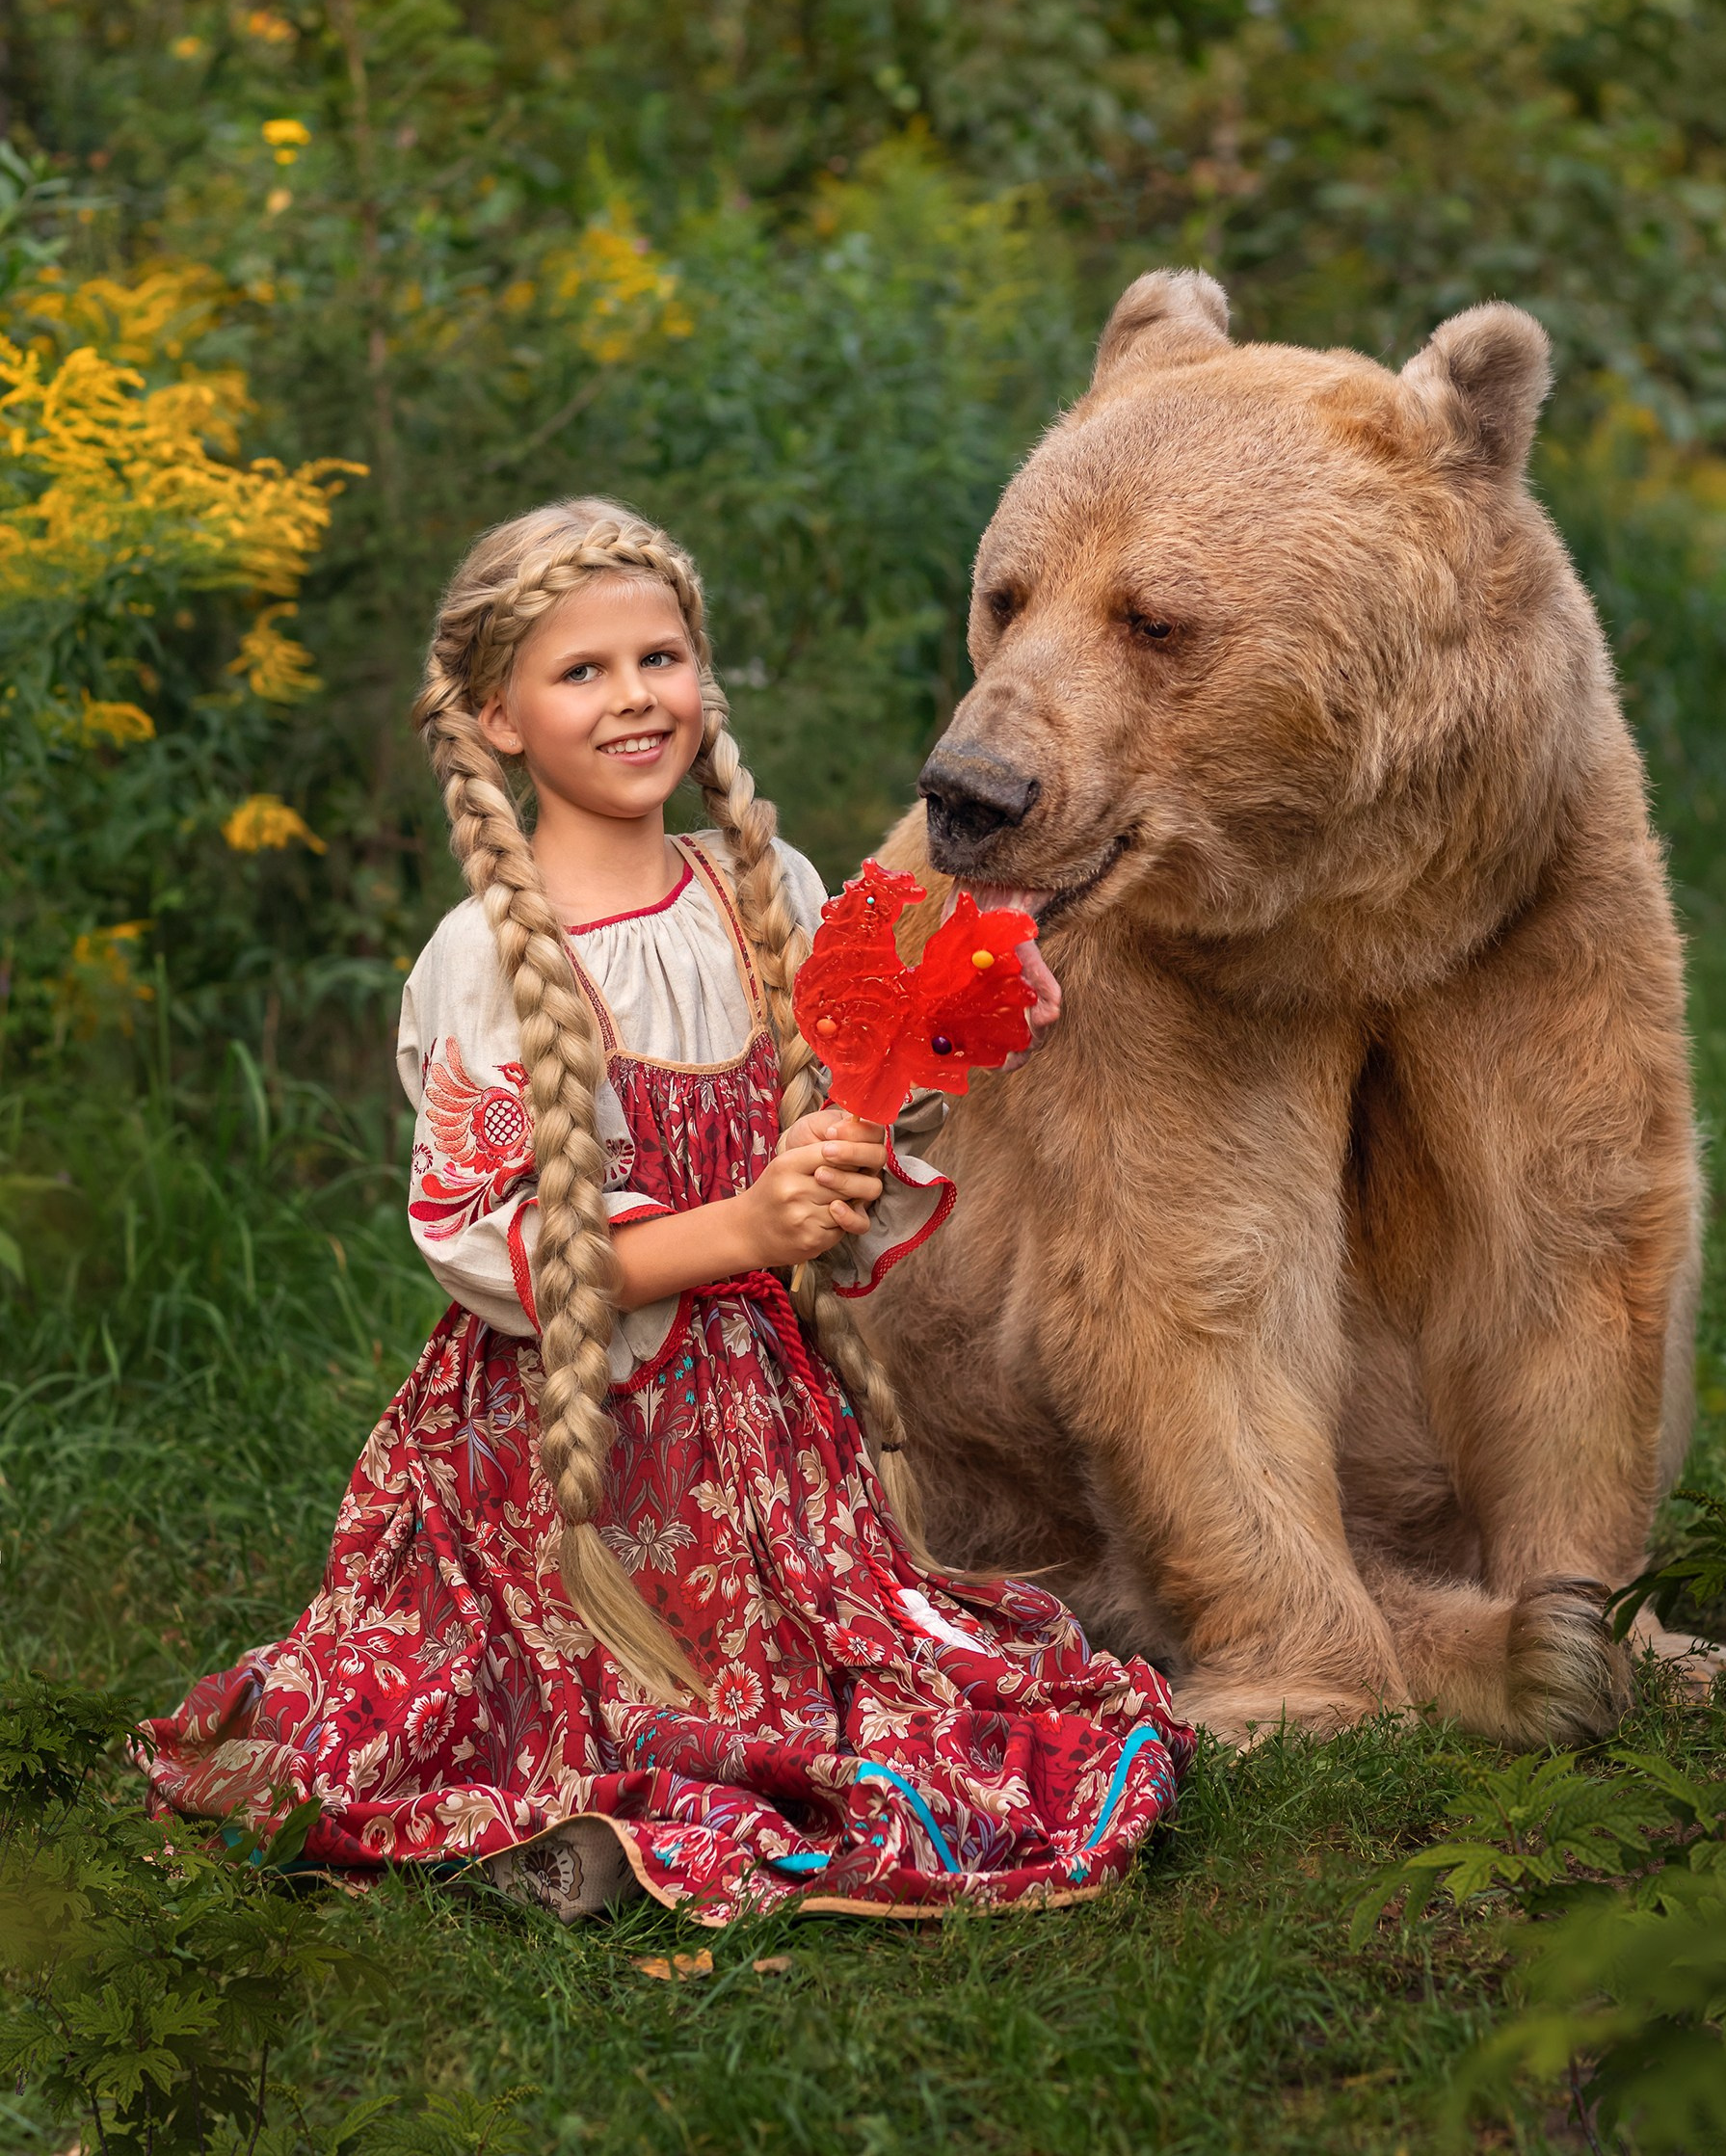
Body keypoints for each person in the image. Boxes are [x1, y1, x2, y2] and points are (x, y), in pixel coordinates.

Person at [144, 499, 1188, 1922]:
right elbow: (492, 1232)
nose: (636, 698)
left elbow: (855, 1109)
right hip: (570, 1439)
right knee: (569, 1698)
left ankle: (619, 1822)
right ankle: (568, 1817)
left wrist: (953, 1032)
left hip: (764, 1421)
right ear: (497, 716)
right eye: (583, 672)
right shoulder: (491, 957)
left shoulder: (765, 896)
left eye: (662, 657)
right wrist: (746, 1232)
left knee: (867, 1687)